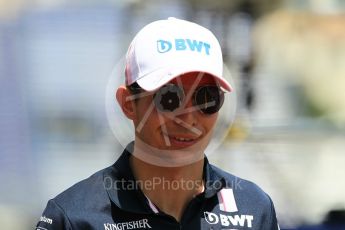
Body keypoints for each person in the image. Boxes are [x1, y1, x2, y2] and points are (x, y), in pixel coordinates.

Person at [36, 17, 279, 230]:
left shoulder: (255, 208)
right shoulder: (72, 217)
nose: (189, 118)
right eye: (169, 98)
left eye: (207, 98)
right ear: (128, 104)